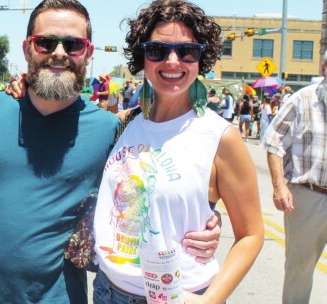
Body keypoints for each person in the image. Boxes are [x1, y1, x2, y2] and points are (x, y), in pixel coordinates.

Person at [0, 1, 222, 303]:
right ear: (28, 48)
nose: (59, 52)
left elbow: (148, 188)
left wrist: (206, 220)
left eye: (72, 44)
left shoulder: (110, 130)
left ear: (88, 54)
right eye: (46, 42)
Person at [93, 1, 264, 303]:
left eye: (187, 51)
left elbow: (251, 235)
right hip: (107, 290)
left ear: (201, 59)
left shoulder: (221, 137)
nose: (173, 61)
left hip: (176, 296)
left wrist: (211, 300)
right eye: (157, 50)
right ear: (142, 57)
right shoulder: (124, 123)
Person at [260, 52, 327, 304]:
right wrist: (279, 186)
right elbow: (274, 142)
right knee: (300, 269)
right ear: (324, 69)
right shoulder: (302, 100)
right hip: (309, 195)